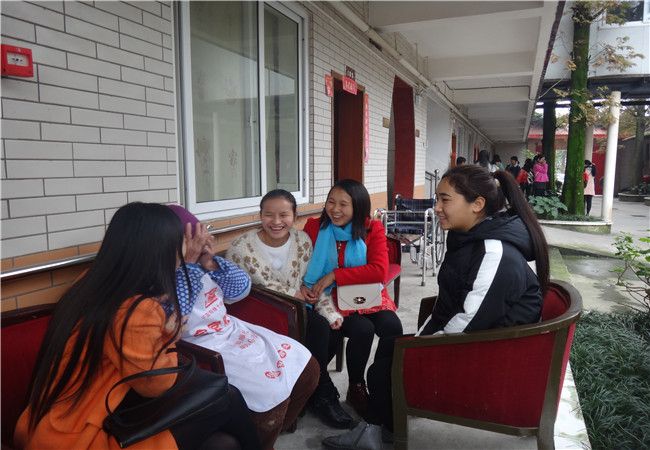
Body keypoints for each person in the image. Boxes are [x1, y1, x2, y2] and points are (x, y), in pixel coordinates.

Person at [323, 165, 548, 449]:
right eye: (437, 199)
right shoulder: (468, 239)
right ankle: (382, 427)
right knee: (391, 348)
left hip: (491, 362)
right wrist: (418, 342)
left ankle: (379, 432)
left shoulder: (494, 253)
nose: (437, 208)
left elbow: (468, 322)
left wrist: (418, 354)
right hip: (480, 343)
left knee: (381, 372)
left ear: (477, 204)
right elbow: (445, 308)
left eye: (445, 199)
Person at [15, 202, 260, 450]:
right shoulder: (137, 309)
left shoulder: (90, 283)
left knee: (224, 443)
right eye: (182, 243)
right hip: (84, 436)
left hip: (54, 421)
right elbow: (157, 385)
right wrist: (170, 334)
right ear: (162, 250)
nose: (188, 251)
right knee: (227, 397)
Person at [168, 204, 319, 450]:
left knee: (308, 368)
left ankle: (268, 432)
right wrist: (190, 267)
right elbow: (175, 320)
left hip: (231, 331)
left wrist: (209, 262)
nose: (199, 243)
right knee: (269, 397)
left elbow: (241, 289)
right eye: (192, 239)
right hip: (202, 347)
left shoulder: (201, 263)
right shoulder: (159, 277)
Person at [226, 190, 353, 429]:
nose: (276, 222)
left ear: (294, 216)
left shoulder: (302, 241)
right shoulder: (241, 248)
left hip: (299, 310)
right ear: (260, 215)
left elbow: (309, 281)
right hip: (261, 315)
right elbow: (239, 289)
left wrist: (327, 309)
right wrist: (292, 294)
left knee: (332, 329)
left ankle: (305, 389)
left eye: (284, 215)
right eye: (269, 215)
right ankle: (321, 392)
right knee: (317, 327)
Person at [301, 179, 403, 419]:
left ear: (358, 207)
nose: (335, 209)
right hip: (330, 298)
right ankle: (356, 386)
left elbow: (379, 271)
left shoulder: (371, 228)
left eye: (343, 204)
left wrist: (335, 275)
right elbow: (301, 262)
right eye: (331, 202)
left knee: (392, 326)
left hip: (365, 294)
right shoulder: (314, 227)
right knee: (362, 329)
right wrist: (314, 284)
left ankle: (382, 385)